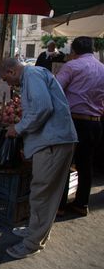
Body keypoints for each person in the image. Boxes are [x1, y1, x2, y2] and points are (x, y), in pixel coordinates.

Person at [0, 58, 77, 259]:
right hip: (55, 140)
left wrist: (19, 128)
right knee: (46, 192)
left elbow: (43, 108)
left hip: (52, 143)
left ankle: (32, 243)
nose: (8, 84)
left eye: (6, 78)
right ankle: (36, 231)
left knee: (42, 193)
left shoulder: (32, 75)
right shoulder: (34, 76)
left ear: (11, 71)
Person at [56, 36, 104, 216]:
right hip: (95, 124)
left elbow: (56, 89)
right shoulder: (102, 69)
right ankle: (81, 204)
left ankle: (59, 206)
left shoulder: (72, 66)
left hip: (74, 122)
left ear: (74, 52)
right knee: (86, 164)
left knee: (64, 163)